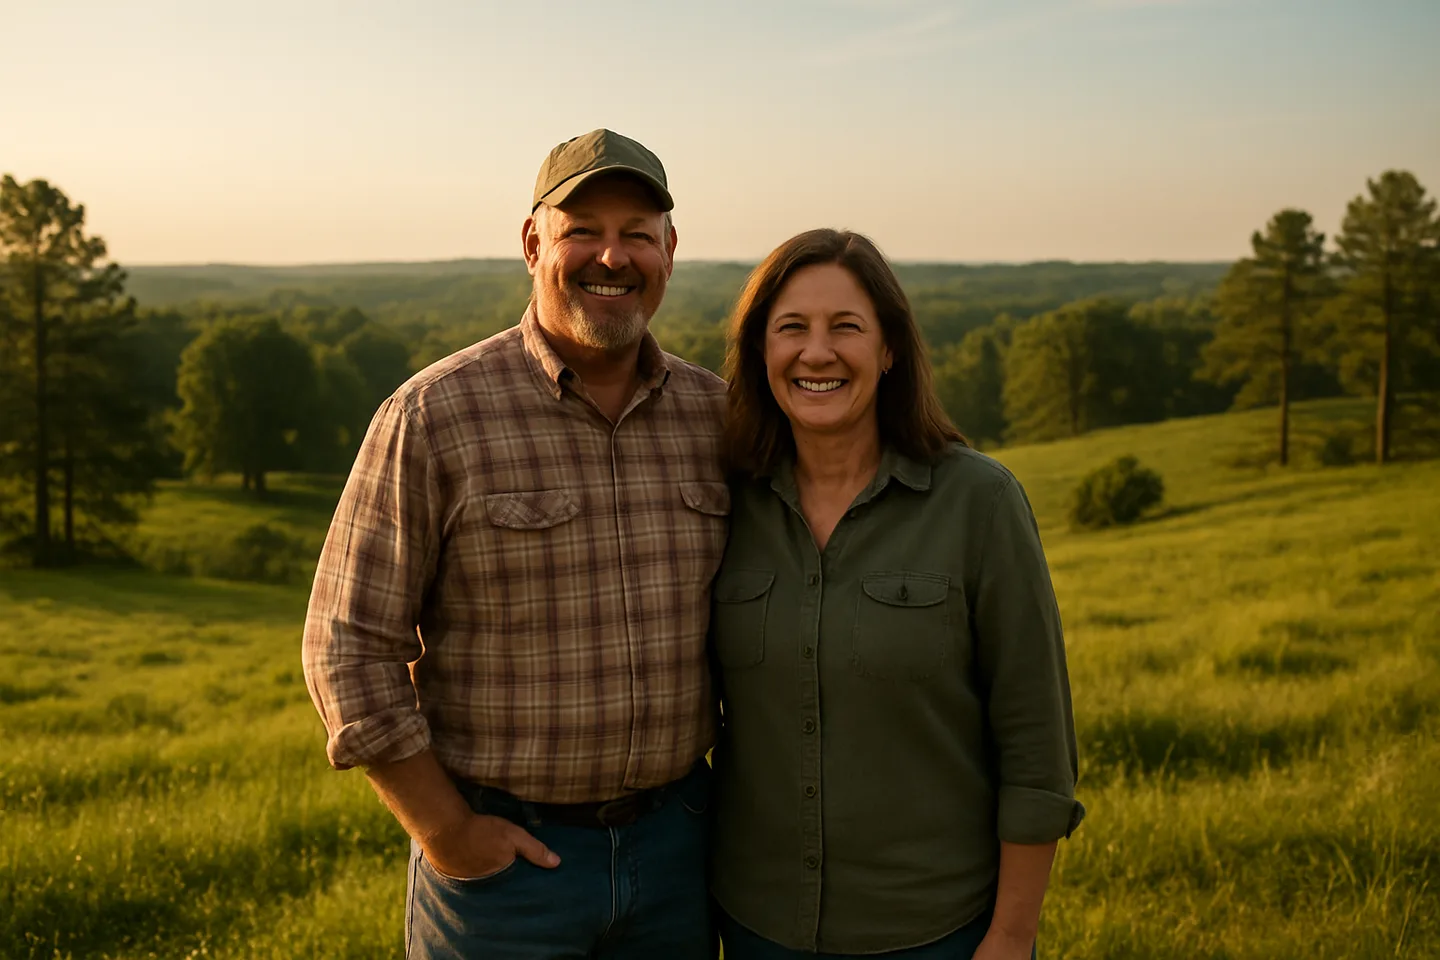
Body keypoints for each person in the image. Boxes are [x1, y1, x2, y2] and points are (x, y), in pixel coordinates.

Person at [301, 128, 730, 960]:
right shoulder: (434, 416)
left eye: (638, 233)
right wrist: (448, 833)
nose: (613, 256)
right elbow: (346, 646)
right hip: (504, 876)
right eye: (582, 231)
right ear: (533, 244)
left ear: (670, 251)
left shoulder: (716, 418)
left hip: (680, 852)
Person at [709, 228, 1084, 960]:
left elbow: (1037, 743)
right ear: (760, 352)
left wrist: (1012, 935)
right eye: (792, 328)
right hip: (758, 928)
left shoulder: (979, 502)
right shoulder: (725, 503)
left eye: (846, 327)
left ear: (889, 351)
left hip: (938, 931)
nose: (817, 352)